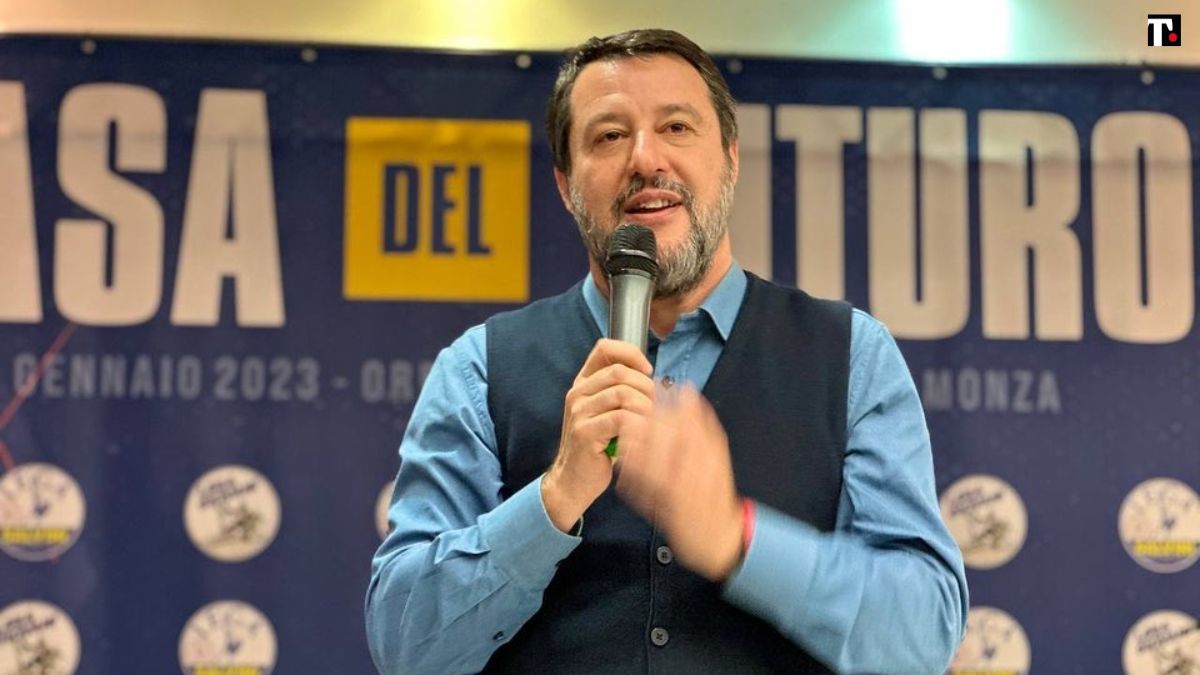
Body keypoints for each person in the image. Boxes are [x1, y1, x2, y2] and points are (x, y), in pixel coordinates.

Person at [366, 28, 968, 675]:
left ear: (730, 159)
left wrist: (738, 539)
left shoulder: (851, 354)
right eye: (609, 136)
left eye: (676, 127)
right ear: (566, 185)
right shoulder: (481, 368)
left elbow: (924, 636)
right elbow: (406, 648)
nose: (645, 158)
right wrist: (554, 498)